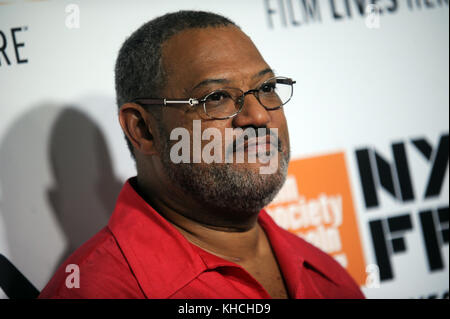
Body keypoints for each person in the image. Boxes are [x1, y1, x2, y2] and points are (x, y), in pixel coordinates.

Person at [39, 10, 364, 299]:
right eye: (217, 96)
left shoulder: (326, 274)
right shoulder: (95, 290)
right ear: (143, 129)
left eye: (266, 88)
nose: (259, 116)